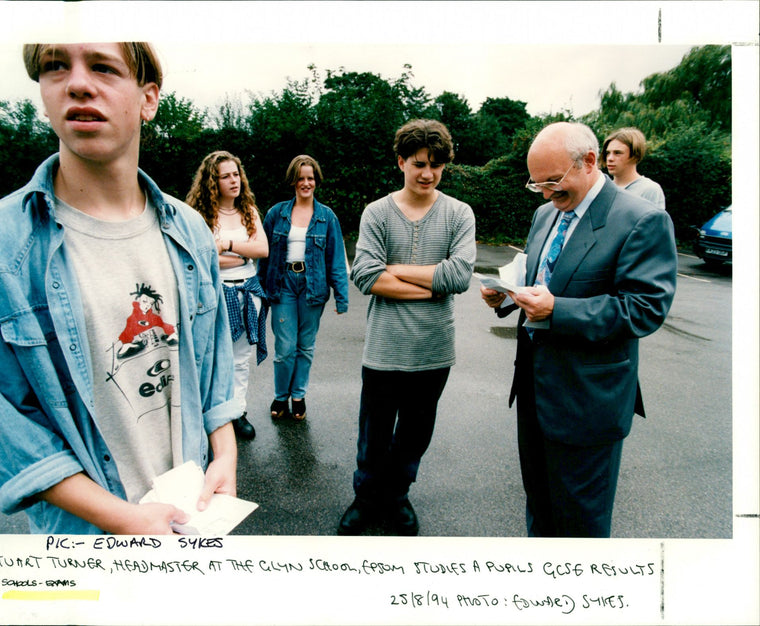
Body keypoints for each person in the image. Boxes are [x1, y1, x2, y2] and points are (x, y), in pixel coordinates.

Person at [0, 43, 240, 534]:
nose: (78, 83)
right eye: (55, 67)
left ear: (148, 98)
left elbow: (214, 369)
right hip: (85, 536)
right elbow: (4, 425)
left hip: (191, 513)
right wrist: (125, 519)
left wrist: (224, 455)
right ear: (42, 94)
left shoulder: (187, 229)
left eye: (103, 67)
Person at [481, 121, 677, 537]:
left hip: (588, 404)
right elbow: (545, 279)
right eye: (538, 186)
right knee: (540, 511)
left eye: (553, 181)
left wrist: (556, 311)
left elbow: (645, 309)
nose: (548, 195)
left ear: (589, 162)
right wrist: (508, 296)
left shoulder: (642, 220)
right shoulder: (544, 213)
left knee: (580, 528)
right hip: (534, 392)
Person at [338, 119, 476, 536]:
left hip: (434, 351)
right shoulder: (377, 213)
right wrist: (429, 286)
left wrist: (396, 271)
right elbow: (365, 276)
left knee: (415, 434)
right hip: (385, 348)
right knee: (374, 435)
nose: (427, 173)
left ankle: (396, 495)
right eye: (419, 163)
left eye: (436, 165)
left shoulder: (458, 213)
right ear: (401, 161)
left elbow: (459, 276)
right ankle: (366, 498)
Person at [257, 155, 349, 422]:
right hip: (282, 284)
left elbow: (336, 259)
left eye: (310, 178)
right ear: (293, 181)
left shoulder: (327, 217)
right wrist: (259, 291)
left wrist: (341, 297)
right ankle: (280, 395)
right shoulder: (276, 213)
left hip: (313, 286)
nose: (306, 183)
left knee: (305, 347)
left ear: (316, 181)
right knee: (285, 348)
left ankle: (298, 396)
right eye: (301, 178)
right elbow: (264, 255)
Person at [186, 151, 269, 440]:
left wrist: (227, 244)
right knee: (210, 356)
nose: (234, 180)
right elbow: (200, 257)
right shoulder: (199, 215)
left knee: (240, 358)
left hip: (248, 291)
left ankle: (238, 413)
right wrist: (240, 254)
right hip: (215, 292)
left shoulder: (248, 210)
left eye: (236, 174)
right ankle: (210, 415)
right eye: (226, 176)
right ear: (213, 181)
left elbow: (262, 250)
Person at [600, 127, 666, 210]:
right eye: (608, 153)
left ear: (635, 156)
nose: (610, 158)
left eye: (617, 153)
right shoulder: (604, 189)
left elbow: (655, 222)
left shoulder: (649, 190)